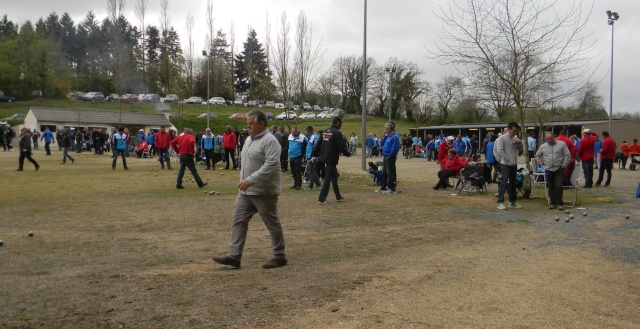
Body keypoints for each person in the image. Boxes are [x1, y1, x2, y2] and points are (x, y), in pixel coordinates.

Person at [212, 110, 287, 269]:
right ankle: (234, 256)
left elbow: (272, 165)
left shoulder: (270, 141)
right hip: (246, 192)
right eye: (248, 124)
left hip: (264, 191)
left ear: (261, 124)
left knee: (271, 223)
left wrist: (251, 180)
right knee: (238, 220)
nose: (248, 126)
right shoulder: (248, 140)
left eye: (251, 124)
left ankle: (279, 256)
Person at [313, 116, 350, 204]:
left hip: (323, 157)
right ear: (337, 123)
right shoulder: (337, 133)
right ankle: (321, 198)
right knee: (328, 177)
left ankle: (338, 196)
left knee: (334, 176)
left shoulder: (325, 131)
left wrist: (314, 154)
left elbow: (318, 144)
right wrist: (347, 154)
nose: (341, 125)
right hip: (332, 158)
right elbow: (341, 147)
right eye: (341, 123)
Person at [535, 132, 571, 210]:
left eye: (551, 138)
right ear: (545, 140)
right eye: (547, 139)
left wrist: (564, 164)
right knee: (550, 186)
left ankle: (559, 203)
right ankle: (552, 202)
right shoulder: (543, 146)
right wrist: (542, 163)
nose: (549, 140)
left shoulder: (562, 144)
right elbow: (537, 156)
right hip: (548, 169)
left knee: (558, 186)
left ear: (554, 137)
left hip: (559, 168)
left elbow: (567, 155)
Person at [495, 122, 522, 210]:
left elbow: (520, 151)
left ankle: (512, 201)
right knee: (503, 183)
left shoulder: (515, 139)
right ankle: (500, 202)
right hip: (505, 164)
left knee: (513, 183)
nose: (515, 133)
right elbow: (500, 150)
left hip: (513, 164)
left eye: (516, 131)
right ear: (509, 129)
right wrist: (507, 159)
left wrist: (519, 144)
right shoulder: (501, 138)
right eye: (514, 131)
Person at [376, 122, 400, 194]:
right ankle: (383, 186)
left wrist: (390, 155)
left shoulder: (394, 137)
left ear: (389, 129)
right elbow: (383, 143)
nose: (384, 129)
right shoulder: (388, 136)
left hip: (390, 157)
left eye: (385, 128)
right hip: (385, 156)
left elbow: (394, 148)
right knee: (384, 172)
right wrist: (385, 136)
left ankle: (391, 188)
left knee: (390, 173)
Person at [304, 126, 321, 191]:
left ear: (310, 130)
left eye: (307, 131)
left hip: (312, 157)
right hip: (309, 156)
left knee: (310, 172)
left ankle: (310, 186)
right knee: (312, 171)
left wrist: (314, 156)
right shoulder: (310, 137)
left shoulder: (314, 137)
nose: (306, 132)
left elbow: (316, 147)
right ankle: (318, 184)